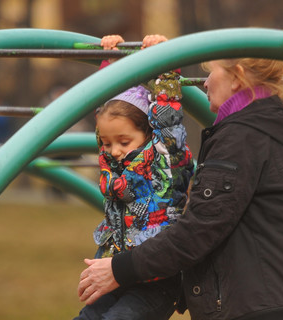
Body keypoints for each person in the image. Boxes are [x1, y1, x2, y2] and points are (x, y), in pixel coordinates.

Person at [78, 56, 283, 319]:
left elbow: (199, 228)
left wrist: (120, 268)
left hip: (282, 305)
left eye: (210, 72)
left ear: (236, 78)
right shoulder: (271, 129)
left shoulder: (242, 136)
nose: (204, 83)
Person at [73, 34, 193, 320]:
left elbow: (168, 117)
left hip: (157, 281)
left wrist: (164, 63)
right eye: (106, 143)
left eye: (124, 142)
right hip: (118, 270)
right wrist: (111, 62)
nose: (113, 151)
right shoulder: (111, 160)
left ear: (148, 134)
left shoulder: (164, 157)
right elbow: (105, 109)